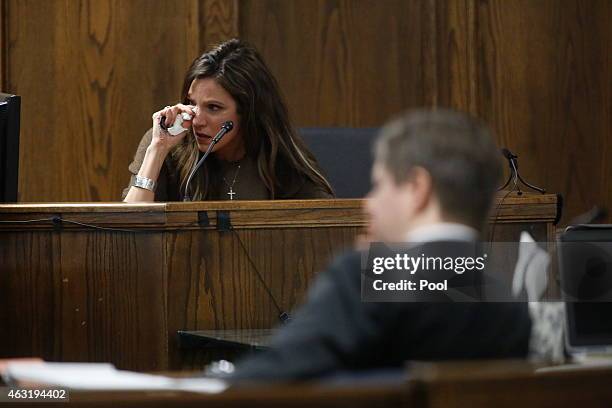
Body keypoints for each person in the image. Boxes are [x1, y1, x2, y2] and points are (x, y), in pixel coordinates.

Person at [225, 109, 532, 382]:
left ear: (417, 188)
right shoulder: (511, 306)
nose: (370, 203)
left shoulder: (370, 275)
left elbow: (261, 383)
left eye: (380, 184)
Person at [123, 39, 334, 202]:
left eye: (213, 108)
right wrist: (157, 150)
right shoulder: (167, 145)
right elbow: (131, 231)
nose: (197, 120)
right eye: (192, 103)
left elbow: (325, 227)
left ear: (249, 112)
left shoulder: (277, 158)